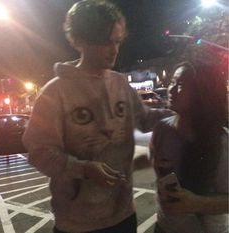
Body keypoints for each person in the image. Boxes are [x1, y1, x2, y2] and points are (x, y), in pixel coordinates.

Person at [23, 1, 171, 233]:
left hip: (124, 215)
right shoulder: (55, 92)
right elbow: (39, 153)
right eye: (104, 42)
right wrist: (83, 168)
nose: (113, 50)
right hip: (77, 224)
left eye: (117, 41)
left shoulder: (120, 83)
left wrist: (182, 112)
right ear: (79, 40)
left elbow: (145, 117)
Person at [151, 61, 229, 233]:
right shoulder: (162, 130)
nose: (170, 90)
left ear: (202, 92)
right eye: (172, 82)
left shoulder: (221, 141)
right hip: (164, 227)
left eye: (181, 85)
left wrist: (196, 203)